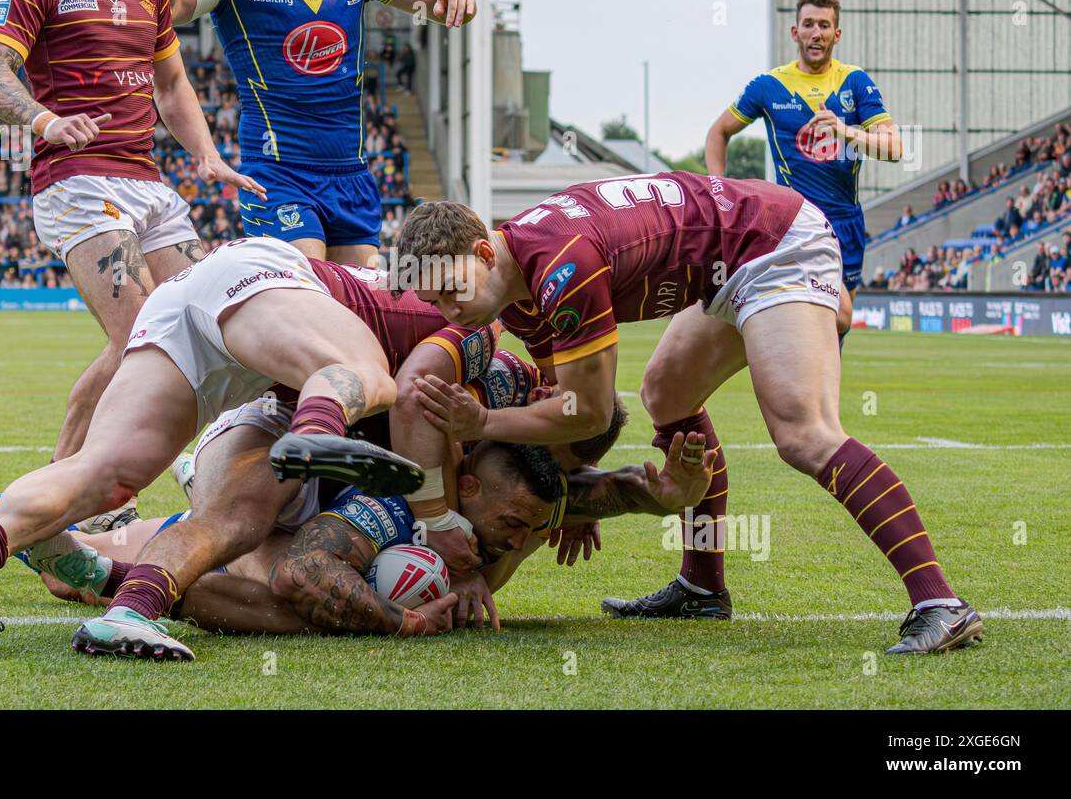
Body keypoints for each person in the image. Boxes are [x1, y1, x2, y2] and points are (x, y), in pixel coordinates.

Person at [396, 173, 982, 654]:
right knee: (667, 394)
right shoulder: (515, 287)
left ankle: (939, 601)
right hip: (727, 263)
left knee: (803, 434)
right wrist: (565, 488)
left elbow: (592, 412)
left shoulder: (559, 266)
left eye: (452, 290)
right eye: (434, 301)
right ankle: (703, 586)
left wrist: (482, 426)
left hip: (769, 244)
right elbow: (562, 407)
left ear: (480, 252)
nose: (451, 311)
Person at [0, 236, 469, 659]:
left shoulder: (422, 292)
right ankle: (316, 437)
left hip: (200, 300)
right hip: (263, 288)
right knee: (371, 373)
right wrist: (439, 516)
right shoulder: (465, 327)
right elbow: (418, 395)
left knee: (105, 477)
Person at [0, 0, 263, 511]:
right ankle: (81, 490)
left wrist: (208, 155)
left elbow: (171, 84)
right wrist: (46, 120)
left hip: (149, 184)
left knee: (205, 327)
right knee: (144, 337)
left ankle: (62, 483)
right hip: (74, 180)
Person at [0, 434, 712, 640]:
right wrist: (397, 621)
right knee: (107, 566)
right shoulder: (400, 510)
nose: (521, 538)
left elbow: (589, 493)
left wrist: (661, 496)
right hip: (270, 476)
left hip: (291, 478)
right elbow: (304, 580)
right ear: (467, 488)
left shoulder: (526, 498)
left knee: (87, 558)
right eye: (514, 526)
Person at [154, 0, 476, 268]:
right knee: (308, 288)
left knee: (357, 304)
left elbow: (442, 3)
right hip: (276, 175)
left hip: (351, 176)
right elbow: (161, 3)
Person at [706, 0, 901, 301]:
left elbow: (894, 149)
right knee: (814, 309)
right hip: (792, 219)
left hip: (845, 219)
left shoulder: (855, 81)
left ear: (836, 35)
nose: (816, 33)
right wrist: (719, 191)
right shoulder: (769, 86)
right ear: (795, 33)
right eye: (808, 24)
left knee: (840, 320)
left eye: (824, 26)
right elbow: (718, 132)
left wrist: (845, 132)